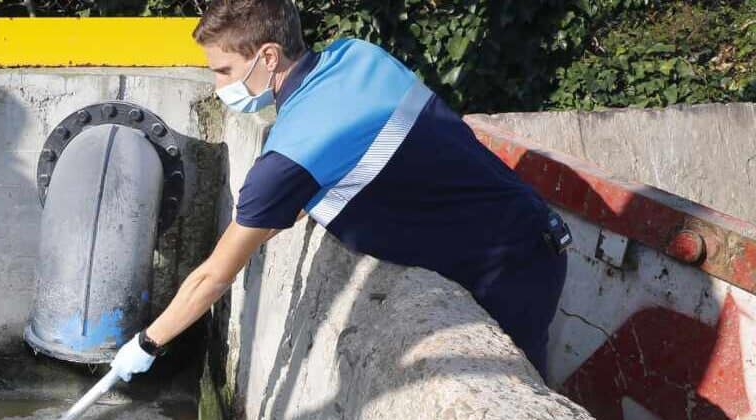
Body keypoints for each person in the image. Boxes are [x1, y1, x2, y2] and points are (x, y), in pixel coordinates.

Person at [110, 0, 570, 383]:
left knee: (518, 395)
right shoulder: (357, 55)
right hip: (530, 228)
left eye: (225, 70)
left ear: (268, 57)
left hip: (510, 270)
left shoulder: (291, 154)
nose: (218, 86)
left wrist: (148, 343)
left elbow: (213, 277)